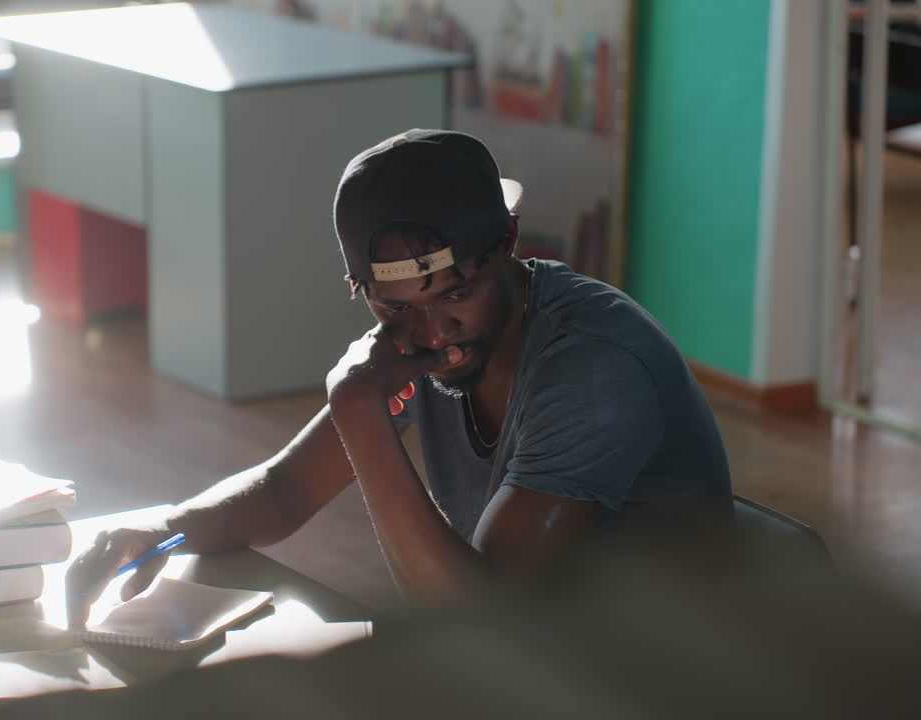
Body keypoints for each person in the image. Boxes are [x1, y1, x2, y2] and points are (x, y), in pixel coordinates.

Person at [66, 128, 732, 624]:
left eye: (454, 294)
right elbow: (285, 489)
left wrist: (362, 418)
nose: (435, 336)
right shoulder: (421, 345)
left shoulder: (591, 372)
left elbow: (484, 626)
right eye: (397, 307)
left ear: (506, 243)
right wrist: (164, 529)